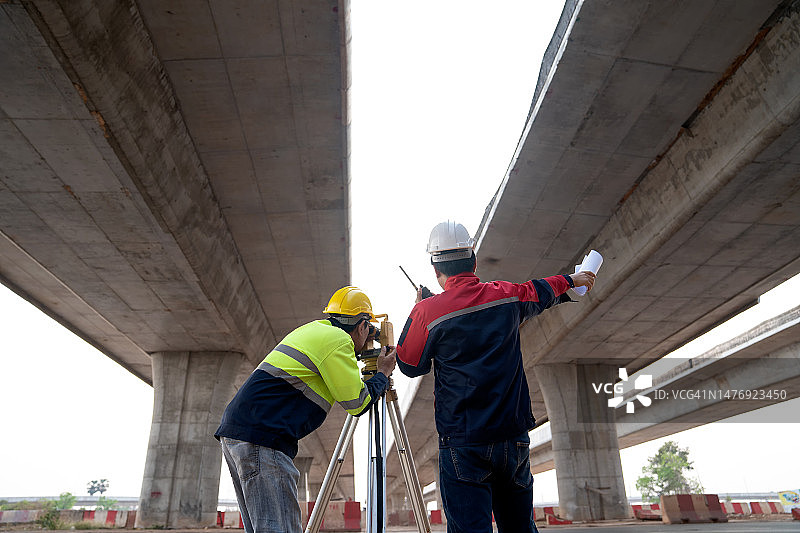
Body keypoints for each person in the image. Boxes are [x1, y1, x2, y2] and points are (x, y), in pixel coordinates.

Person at [396, 221, 596, 533]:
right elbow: (539, 291)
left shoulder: (428, 312)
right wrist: (571, 279)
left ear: (436, 270)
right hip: (512, 438)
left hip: (463, 441)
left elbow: (410, 364)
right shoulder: (505, 296)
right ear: (473, 261)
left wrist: (420, 309)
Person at [215, 286, 396, 533]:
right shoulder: (339, 340)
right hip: (263, 438)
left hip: (242, 432)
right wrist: (383, 372)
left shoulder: (317, 331)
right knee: (279, 528)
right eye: (368, 329)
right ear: (362, 325)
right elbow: (358, 403)